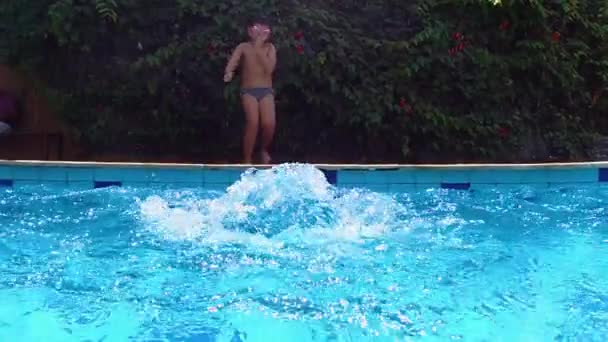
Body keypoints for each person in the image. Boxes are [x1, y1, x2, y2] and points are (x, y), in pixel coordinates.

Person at [224, 19, 277, 164]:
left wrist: (259, 47)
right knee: (253, 122)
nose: (260, 32)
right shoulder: (244, 47)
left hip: (266, 91)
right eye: (256, 28)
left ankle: (263, 149)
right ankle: (247, 158)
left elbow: (269, 69)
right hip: (248, 91)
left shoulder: (269, 48)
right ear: (249, 32)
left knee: (269, 123)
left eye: (263, 29)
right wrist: (229, 72)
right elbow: (233, 61)